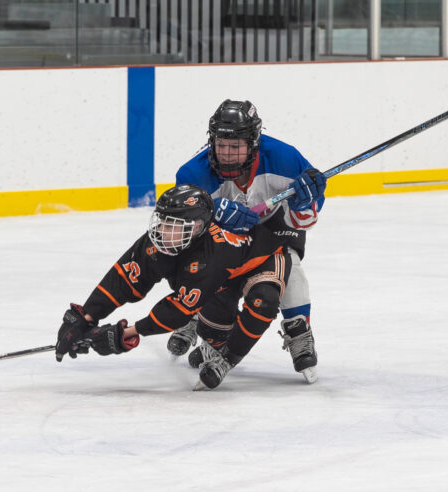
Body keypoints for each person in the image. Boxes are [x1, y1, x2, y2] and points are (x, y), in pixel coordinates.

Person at [55, 184, 293, 390]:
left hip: (263, 261)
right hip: (220, 278)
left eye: (174, 225)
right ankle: (213, 341)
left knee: (263, 302)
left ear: (197, 227)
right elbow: (124, 279)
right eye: (163, 222)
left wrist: (126, 334)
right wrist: (85, 316)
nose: (163, 231)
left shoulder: (210, 256)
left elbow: (176, 310)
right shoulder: (164, 239)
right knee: (214, 331)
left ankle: (227, 359)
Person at [168, 99, 326, 384]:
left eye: (235, 146)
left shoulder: (285, 159)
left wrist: (304, 203)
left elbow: (305, 220)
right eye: (221, 145)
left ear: (253, 143)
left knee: (288, 265)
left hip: (274, 227)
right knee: (202, 264)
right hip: (222, 238)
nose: (227, 154)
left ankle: (299, 329)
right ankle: (195, 317)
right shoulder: (192, 174)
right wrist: (212, 217)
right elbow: (179, 237)